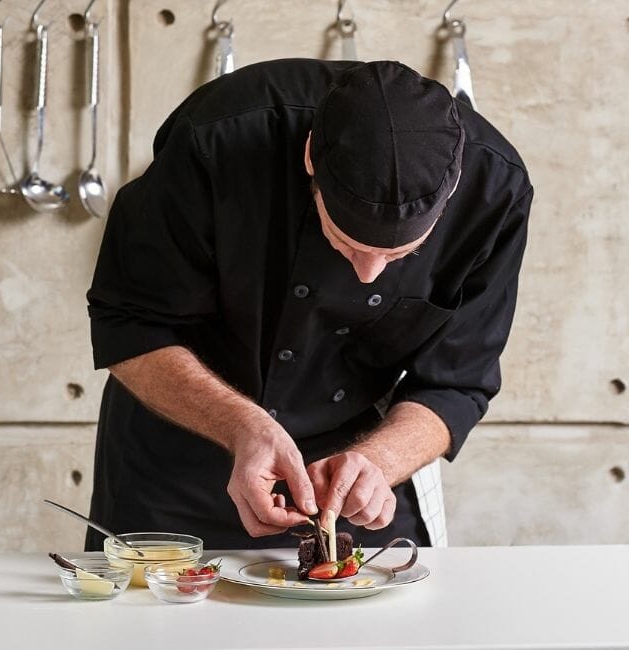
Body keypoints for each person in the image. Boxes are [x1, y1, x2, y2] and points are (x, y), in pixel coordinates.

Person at [83, 59, 533, 551]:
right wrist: (241, 426)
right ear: (310, 162)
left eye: (400, 255)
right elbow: (129, 323)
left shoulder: (495, 192)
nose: (368, 274)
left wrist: (380, 462)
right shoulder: (214, 140)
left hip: (356, 473)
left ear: (449, 199)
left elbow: (457, 382)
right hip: (177, 462)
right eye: (346, 244)